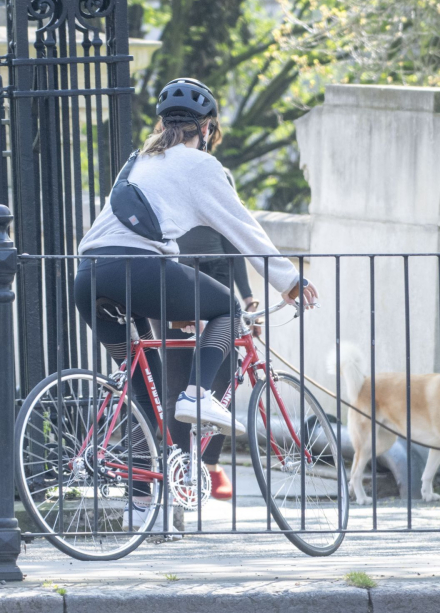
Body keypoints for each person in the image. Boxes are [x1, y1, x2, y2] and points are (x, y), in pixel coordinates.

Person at [74, 77, 318, 527]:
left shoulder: (138, 160)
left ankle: (144, 506)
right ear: (205, 129)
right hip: (138, 270)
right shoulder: (201, 165)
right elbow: (244, 229)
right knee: (229, 308)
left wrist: (178, 307)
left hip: (88, 277)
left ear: (163, 124)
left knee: (143, 392)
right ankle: (200, 394)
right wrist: (288, 279)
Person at [151, 169, 262, 501]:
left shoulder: (218, 172)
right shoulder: (160, 170)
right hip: (173, 274)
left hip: (215, 274)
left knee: (227, 373)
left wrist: (246, 296)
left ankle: (208, 463)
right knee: (177, 379)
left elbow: (232, 236)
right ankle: (182, 468)